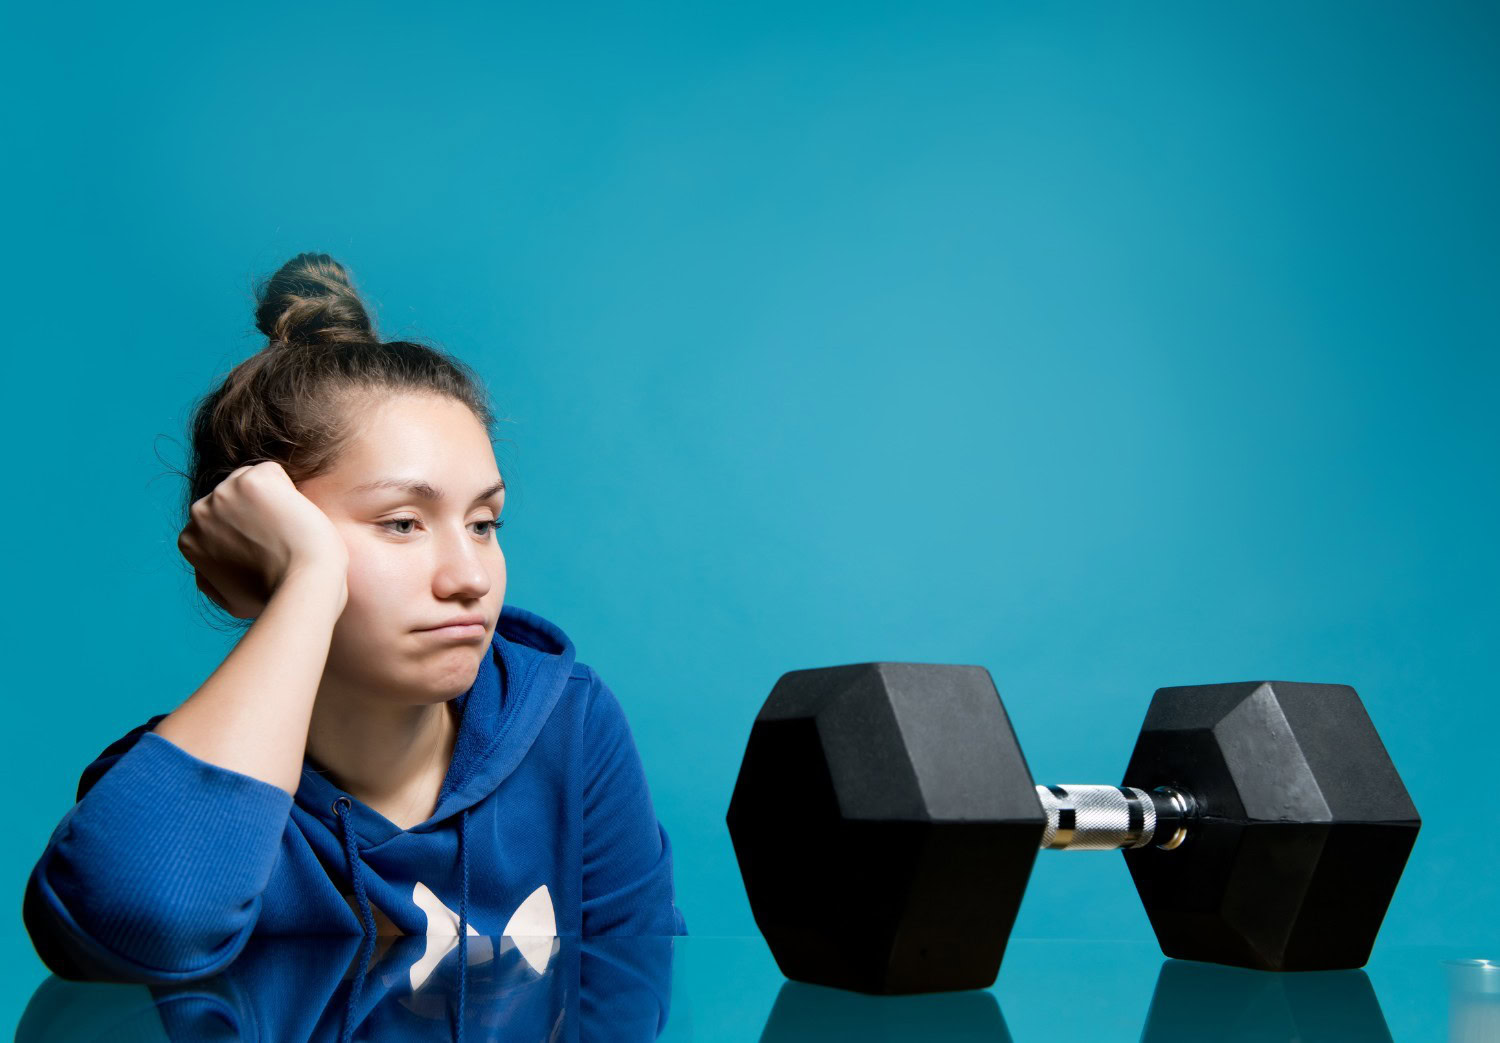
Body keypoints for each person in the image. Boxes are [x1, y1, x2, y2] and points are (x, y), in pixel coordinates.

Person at [22, 252, 686, 1039]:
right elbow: (134, 933)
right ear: (260, 545)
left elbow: (632, 994)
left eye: (484, 522)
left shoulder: (568, 727)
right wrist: (304, 585)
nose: (469, 576)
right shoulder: (172, 794)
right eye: (402, 522)